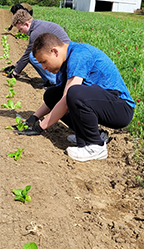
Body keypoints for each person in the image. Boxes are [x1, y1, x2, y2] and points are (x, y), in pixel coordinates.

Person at [17, 32, 135, 162]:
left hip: (121, 108)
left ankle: (95, 146)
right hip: (104, 102)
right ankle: (91, 135)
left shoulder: (79, 55)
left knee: (74, 94)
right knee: (52, 95)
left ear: (55, 51)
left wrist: (41, 127)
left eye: (44, 62)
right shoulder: (64, 63)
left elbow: (68, 98)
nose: (44, 68)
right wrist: (34, 117)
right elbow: (60, 98)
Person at [4, 10, 70, 88]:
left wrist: (15, 73)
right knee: (33, 56)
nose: (21, 32)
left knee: (33, 56)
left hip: (65, 55)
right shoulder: (37, 25)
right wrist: (16, 65)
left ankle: (55, 82)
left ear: (26, 24)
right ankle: (49, 80)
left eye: (21, 29)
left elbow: (27, 55)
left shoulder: (35, 32)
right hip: (56, 51)